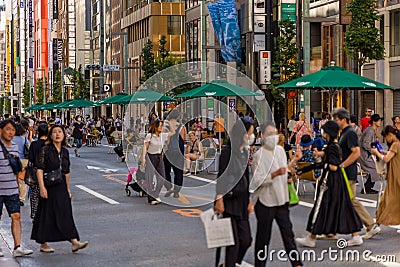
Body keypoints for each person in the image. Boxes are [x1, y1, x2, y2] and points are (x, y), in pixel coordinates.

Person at [295, 121, 363, 248]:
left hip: (330, 181)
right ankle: (353, 235)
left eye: (324, 130)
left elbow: (332, 166)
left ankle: (312, 237)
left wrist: (311, 167)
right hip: (338, 181)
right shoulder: (334, 145)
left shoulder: (331, 147)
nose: (323, 133)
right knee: (343, 207)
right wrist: (306, 169)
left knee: (321, 207)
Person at [249, 122, 303, 267]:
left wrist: (294, 162)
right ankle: (259, 264)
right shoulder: (258, 156)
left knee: (288, 234)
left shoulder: (280, 151)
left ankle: (297, 264)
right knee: (263, 237)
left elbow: (284, 170)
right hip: (265, 201)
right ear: (262, 136)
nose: (273, 137)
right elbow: (257, 181)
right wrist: (274, 174)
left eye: (275, 133)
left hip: (281, 199)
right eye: (269, 134)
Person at [31, 125, 88, 253]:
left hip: (61, 186)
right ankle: (43, 243)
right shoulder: (45, 149)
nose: (57, 134)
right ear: (50, 135)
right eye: (54, 132)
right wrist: (42, 188)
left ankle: (74, 241)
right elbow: (39, 169)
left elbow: (66, 172)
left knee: (65, 213)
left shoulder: (65, 151)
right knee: (46, 214)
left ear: (64, 135)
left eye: (60, 132)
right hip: (48, 186)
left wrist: (68, 188)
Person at [331, 108, 381, 239]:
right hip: (345, 172)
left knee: (350, 200)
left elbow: (356, 152)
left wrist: (342, 165)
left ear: (343, 119)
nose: (335, 122)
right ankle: (331, 230)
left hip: (348, 172)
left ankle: (369, 225)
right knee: (340, 200)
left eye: (336, 120)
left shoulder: (350, 133)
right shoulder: (344, 133)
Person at [214, 119, 253, 267]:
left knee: (246, 239)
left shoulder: (244, 151)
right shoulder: (227, 151)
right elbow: (221, 176)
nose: (252, 135)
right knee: (233, 243)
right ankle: (229, 264)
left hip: (242, 201)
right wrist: (219, 199)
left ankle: (229, 264)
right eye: (250, 132)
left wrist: (249, 200)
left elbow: (247, 177)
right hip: (229, 201)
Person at [0, 119, 34, 257]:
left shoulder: (14, 147)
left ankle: (17, 247)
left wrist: (17, 186)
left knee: (16, 216)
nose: (10, 132)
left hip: (12, 188)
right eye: (8, 129)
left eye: (13, 130)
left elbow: (15, 169)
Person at [371, 126, 400, 229]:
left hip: (396, 177)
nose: (386, 140)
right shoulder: (398, 144)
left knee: (388, 200)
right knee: (388, 200)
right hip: (396, 176)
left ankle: (378, 222)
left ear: (390, 135)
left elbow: (387, 159)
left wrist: (377, 153)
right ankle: (378, 221)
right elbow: (392, 155)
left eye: (386, 137)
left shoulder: (395, 144)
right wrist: (383, 152)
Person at [142, 120, 168, 205]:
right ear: (156, 127)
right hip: (150, 156)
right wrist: (143, 159)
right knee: (149, 179)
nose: (162, 128)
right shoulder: (150, 135)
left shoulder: (162, 136)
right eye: (160, 126)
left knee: (162, 178)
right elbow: (145, 147)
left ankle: (155, 194)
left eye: (162, 126)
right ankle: (151, 198)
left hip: (159, 157)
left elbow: (171, 133)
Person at [163, 110, 187, 198]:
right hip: (178, 151)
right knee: (178, 172)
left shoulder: (165, 125)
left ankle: (169, 187)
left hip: (168, 151)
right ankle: (176, 191)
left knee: (166, 170)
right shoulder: (181, 126)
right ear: (177, 117)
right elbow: (183, 139)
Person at [28, 123, 48, 222]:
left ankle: (35, 214)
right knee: (48, 193)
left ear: (38, 132)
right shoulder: (50, 144)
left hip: (35, 171)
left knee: (35, 193)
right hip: (48, 171)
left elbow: (30, 158)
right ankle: (46, 215)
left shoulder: (34, 144)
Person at [359, 114, 383, 194]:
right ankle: (367, 188)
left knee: (374, 170)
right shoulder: (370, 130)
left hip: (366, 154)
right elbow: (365, 144)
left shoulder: (371, 130)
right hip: (364, 155)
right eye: (379, 120)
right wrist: (372, 150)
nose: (380, 122)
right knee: (373, 170)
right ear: (374, 121)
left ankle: (368, 187)